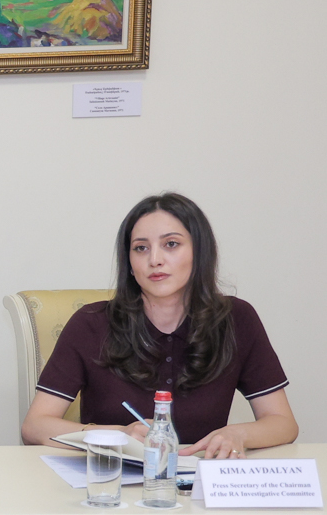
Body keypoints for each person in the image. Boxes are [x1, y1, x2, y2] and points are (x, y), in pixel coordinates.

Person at [22, 192, 295, 459]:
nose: (155, 260)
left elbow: (283, 422)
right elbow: (35, 426)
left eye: (171, 244)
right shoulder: (91, 323)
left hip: (201, 481)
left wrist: (239, 434)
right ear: (129, 263)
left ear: (200, 252)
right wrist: (118, 435)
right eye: (141, 248)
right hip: (112, 480)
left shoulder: (236, 319)